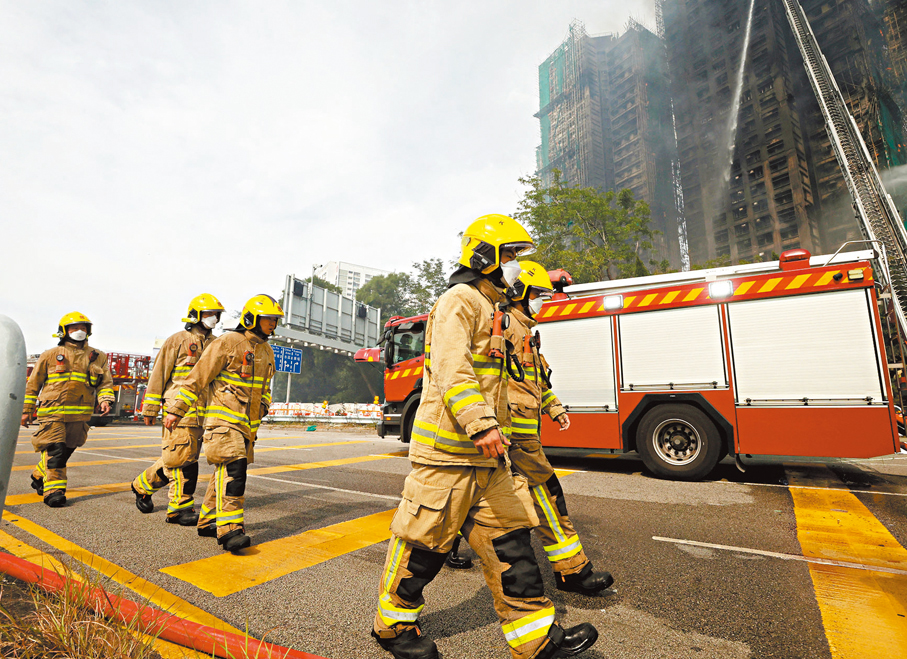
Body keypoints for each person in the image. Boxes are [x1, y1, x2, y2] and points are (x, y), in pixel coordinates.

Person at [372, 215, 599, 659]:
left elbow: (513, 377)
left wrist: (544, 281)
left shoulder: (495, 307)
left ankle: (534, 639)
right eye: (511, 256)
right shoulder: (459, 300)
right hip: (449, 456)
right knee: (423, 549)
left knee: (513, 546)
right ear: (486, 258)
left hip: (491, 461)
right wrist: (481, 423)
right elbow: (452, 369)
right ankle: (391, 628)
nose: (516, 265)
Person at [498, 261, 613, 595]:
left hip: (522, 438)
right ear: (519, 293)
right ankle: (572, 571)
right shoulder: (502, 327)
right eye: (538, 295)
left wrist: (554, 408)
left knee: (476, 501)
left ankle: (571, 570)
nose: (542, 302)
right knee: (547, 496)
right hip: (512, 438)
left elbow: (536, 383)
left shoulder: (526, 334)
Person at [163, 294, 281, 552]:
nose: (273, 324)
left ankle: (208, 520)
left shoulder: (267, 351)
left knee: (224, 474)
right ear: (252, 319)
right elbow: (197, 379)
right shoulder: (227, 343)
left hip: (247, 426)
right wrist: (176, 410)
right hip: (222, 422)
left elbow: (265, 389)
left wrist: (264, 407)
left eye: (275, 320)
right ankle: (229, 530)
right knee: (235, 472)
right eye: (268, 319)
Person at [130, 294, 225, 527]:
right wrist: (150, 408)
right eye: (208, 314)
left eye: (216, 314)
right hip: (178, 409)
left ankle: (142, 485)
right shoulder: (177, 340)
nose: (213, 318)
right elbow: (159, 374)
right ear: (195, 315)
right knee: (183, 461)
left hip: (206, 412)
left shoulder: (217, 344)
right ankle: (179, 509)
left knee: (180, 457)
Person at [21, 312, 115, 507]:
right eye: (74, 328)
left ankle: (40, 475)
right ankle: (54, 492)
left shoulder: (98, 357)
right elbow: (33, 384)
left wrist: (106, 399)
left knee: (67, 450)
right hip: (52, 412)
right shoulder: (50, 355)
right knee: (56, 450)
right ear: (64, 331)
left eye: (83, 328)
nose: (79, 331)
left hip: (80, 414)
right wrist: (26, 410)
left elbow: (105, 383)